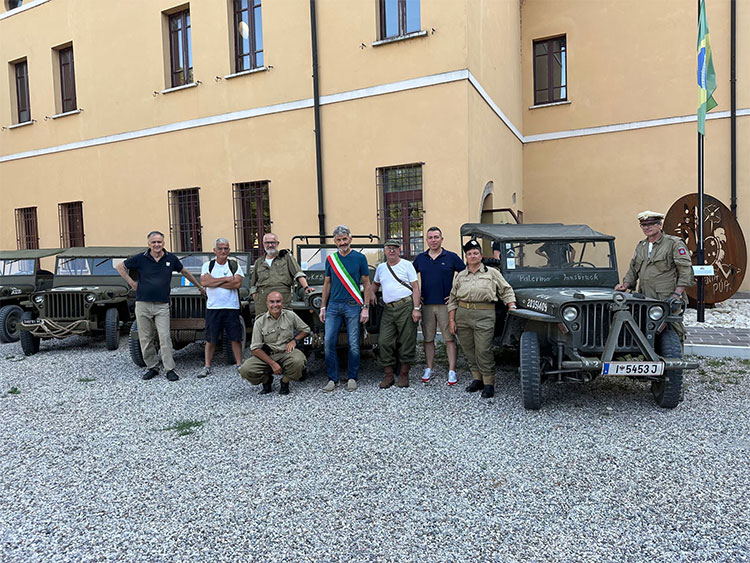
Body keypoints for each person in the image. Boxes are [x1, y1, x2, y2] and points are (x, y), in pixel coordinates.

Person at [117, 230, 202, 382]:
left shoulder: (171, 258)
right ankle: (152, 367)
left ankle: (169, 369)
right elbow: (120, 266)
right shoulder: (140, 258)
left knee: (164, 337)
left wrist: (200, 287)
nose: (157, 244)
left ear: (163, 243)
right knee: (145, 337)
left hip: (162, 305)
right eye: (154, 242)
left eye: (159, 242)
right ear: (148, 244)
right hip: (143, 303)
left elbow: (185, 272)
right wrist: (131, 282)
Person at [448, 239, 517, 399]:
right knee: (469, 350)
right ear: (466, 257)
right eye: (469, 254)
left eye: (475, 253)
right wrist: (452, 320)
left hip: (484, 315)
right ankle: (476, 379)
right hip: (463, 315)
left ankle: (488, 382)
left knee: (483, 350)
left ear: (480, 255)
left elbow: (506, 290)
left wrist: (511, 305)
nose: (472, 256)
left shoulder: (492, 273)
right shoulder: (461, 275)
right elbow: (452, 299)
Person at [615, 210, 694, 340]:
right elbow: (633, 269)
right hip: (645, 296)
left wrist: (677, 294)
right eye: (644, 225)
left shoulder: (674, 244)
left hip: (666, 296)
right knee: (646, 326)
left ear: (659, 225)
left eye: (651, 224)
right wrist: (625, 285)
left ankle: (674, 357)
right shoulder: (642, 246)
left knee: (672, 327)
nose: (647, 228)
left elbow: (685, 270)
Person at [319, 225, 371, 392]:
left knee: (354, 343)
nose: (342, 243)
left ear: (350, 238)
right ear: (335, 241)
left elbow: (367, 284)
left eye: (344, 239)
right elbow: (327, 283)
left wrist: (366, 307)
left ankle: (352, 377)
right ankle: (332, 379)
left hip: (353, 305)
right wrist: (322, 307)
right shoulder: (331, 260)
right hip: (333, 306)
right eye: (339, 240)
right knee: (328, 342)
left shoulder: (360, 258)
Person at [412, 226, 465, 385]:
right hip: (426, 305)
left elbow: (466, 276)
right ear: (426, 240)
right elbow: (409, 278)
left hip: (446, 305)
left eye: (436, 237)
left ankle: (452, 370)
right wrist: (415, 297)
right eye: (430, 237)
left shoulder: (451, 257)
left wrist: (457, 295)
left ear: (442, 239)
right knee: (428, 339)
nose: (433, 240)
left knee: (449, 338)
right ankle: (429, 368)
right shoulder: (420, 258)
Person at [369, 239, 421, 388]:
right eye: (388, 248)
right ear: (384, 251)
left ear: (399, 250)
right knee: (384, 341)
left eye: (394, 248)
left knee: (407, 340)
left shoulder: (407, 265)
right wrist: (372, 293)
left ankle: (404, 374)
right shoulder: (381, 268)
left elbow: (415, 287)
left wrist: (416, 309)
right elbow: (375, 284)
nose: (391, 251)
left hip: (405, 306)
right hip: (388, 309)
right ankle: (388, 375)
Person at [239, 292, 310, 395]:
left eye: (278, 301)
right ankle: (266, 380)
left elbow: (306, 330)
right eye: (272, 302)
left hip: (286, 352)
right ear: (267, 304)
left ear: (282, 303)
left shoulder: (290, 315)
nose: (275, 305)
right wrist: (272, 364)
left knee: (299, 361)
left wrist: (295, 340)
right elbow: (255, 349)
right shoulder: (260, 321)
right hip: (268, 355)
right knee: (246, 370)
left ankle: (285, 381)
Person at [197, 238, 245, 378]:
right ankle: (207, 366)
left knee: (235, 337)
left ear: (229, 251)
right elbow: (204, 282)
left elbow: (237, 284)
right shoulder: (208, 265)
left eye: (226, 248)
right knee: (211, 338)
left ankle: (239, 364)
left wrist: (214, 281)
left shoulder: (234, 265)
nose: (223, 251)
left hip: (231, 306)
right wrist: (227, 279)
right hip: (213, 307)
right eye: (220, 248)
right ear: (214, 251)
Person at [250, 232, 314, 315]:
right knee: (263, 324)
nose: (270, 245)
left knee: (284, 323)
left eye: (272, 242)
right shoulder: (259, 262)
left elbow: (298, 273)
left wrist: (306, 287)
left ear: (277, 243)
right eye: (267, 243)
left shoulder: (286, 258)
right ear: (263, 244)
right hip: (263, 300)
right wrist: (255, 296)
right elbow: (253, 283)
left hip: (282, 297)